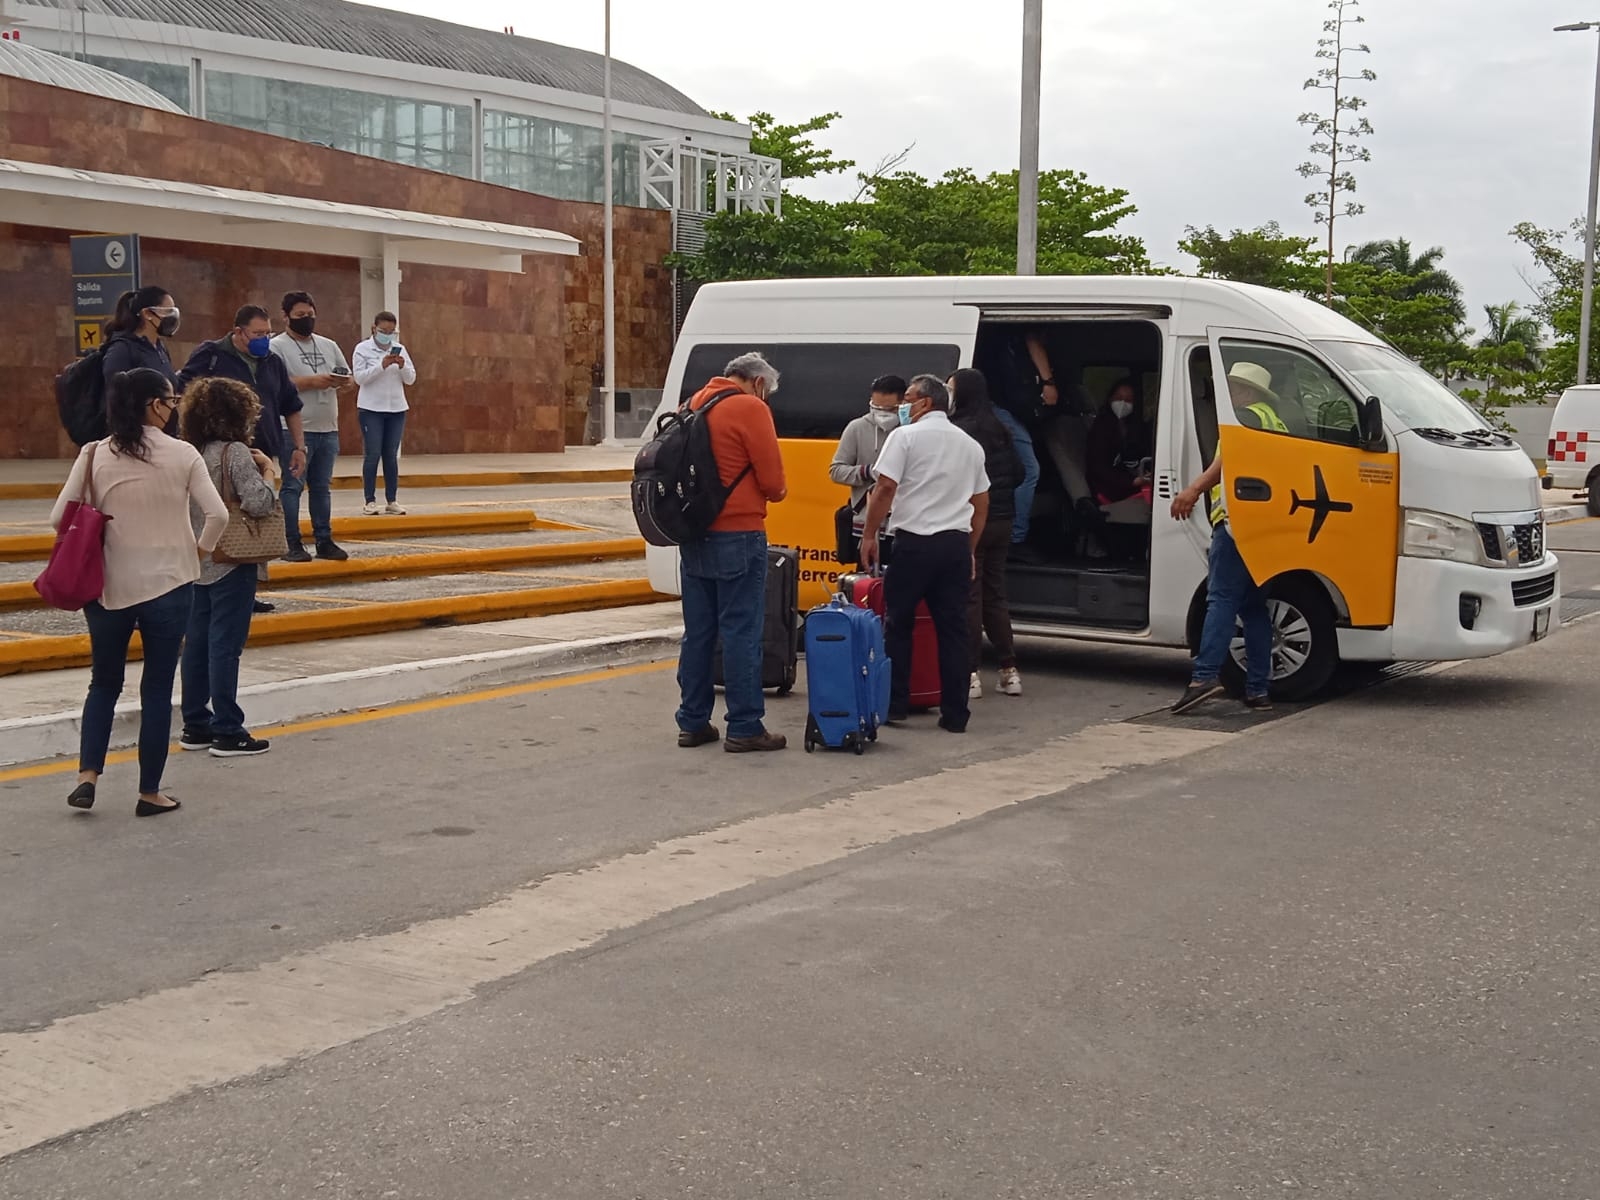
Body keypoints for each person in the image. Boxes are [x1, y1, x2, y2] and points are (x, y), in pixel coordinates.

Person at [51, 368, 228, 818]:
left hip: (108, 587)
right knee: (156, 689)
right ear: (154, 404)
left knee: (104, 683)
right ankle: (149, 793)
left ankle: (87, 777)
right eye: (170, 400)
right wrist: (197, 551)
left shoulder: (94, 454)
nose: (173, 408)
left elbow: (59, 519)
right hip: (170, 586)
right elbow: (217, 515)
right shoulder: (182, 453)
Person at [860, 374, 990, 733]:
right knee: (953, 631)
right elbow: (981, 504)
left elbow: (885, 486)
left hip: (914, 543)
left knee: (898, 624)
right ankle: (955, 714)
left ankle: (897, 703)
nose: (902, 405)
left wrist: (869, 534)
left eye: (908, 398)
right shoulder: (970, 445)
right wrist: (971, 550)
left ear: (926, 403)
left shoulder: (904, 437)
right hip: (954, 546)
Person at [674, 351, 789, 754]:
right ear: (758, 383)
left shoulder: (692, 403)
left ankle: (692, 722)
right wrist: (775, 492)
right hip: (738, 534)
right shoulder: (749, 408)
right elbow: (774, 482)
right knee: (741, 631)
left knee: (699, 632)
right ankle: (744, 725)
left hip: (693, 534)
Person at [1168, 361, 1290, 715]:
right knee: (1253, 608)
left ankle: (1203, 678)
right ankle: (1257, 689)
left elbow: (1227, 462)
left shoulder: (1247, 419)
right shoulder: (1274, 421)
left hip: (1237, 524)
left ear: (1249, 392)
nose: (1230, 393)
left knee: (1220, 600)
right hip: (1268, 526)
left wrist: (1191, 490)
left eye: (1235, 387)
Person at [177, 377, 281, 759]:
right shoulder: (235, 452)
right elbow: (258, 502)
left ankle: (195, 722)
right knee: (226, 645)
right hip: (231, 559)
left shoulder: (190, 451)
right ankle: (228, 728)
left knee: (197, 643)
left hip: (198, 557)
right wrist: (270, 472)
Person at [178, 305, 306, 614]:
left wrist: (299, 447)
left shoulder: (272, 362)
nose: (264, 339)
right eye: (258, 334)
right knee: (220, 513)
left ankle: (247, 589)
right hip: (220, 452)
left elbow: (291, 404)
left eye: (268, 333)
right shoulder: (211, 355)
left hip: (260, 448)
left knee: (254, 518)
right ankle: (206, 583)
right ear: (238, 332)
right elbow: (185, 394)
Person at [948, 368, 1025, 700]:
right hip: (1003, 519)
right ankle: (1009, 671)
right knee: (995, 594)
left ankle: (970, 673)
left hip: (972, 521)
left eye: (950, 389)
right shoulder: (1000, 428)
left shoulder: (959, 432)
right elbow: (1020, 472)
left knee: (970, 595)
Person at [270, 291, 354, 562]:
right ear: (285, 317)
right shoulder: (277, 346)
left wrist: (342, 382)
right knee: (293, 486)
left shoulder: (328, 345)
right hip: (293, 428)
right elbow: (278, 382)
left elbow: (348, 377)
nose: (306, 320)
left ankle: (324, 540)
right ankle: (290, 542)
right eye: (299, 316)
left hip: (327, 427)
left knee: (321, 487)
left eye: (310, 315)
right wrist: (312, 382)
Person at [975, 330, 1053, 556]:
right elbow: (1033, 339)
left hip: (1004, 406)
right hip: (1001, 407)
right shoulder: (1017, 340)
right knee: (1029, 470)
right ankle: (1016, 538)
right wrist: (1049, 382)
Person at [828, 374, 904, 567]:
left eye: (889, 409)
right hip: (866, 524)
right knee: (868, 585)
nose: (882, 413)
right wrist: (868, 472)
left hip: (902, 525)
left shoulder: (911, 431)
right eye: (876, 407)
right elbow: (836, 470)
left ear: (903, 404)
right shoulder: (857, 428)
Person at [352, 311, 416, 515]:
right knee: (372, 454)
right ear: (374, 329)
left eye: (391, 331)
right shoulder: (362, 349)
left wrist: (402, 365)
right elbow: (360, 378)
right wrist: (382, 365)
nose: (387, 335)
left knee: (391, 455)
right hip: (371, 409)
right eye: (383, 331)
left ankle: (392, 500)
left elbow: (411, 379)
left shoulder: (401, 350)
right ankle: (369, 500)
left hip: (396, 408)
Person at [1086, 376, 1155, 554]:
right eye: (1119, 398)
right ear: (1110, 399)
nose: (1123, 403)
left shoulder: (1131, 427)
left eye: (1129, 400)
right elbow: (1099, 469)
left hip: (1127, 478)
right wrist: (1133, 482)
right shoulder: (1101, 429)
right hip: (1108, 487)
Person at [101, 286, 181, 435]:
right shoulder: (122, 350)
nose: (172, 317)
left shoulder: (160, 348)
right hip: (137, 439)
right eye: (167, 311)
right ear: (147, 314)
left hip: (164, 437)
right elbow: (117, 399)